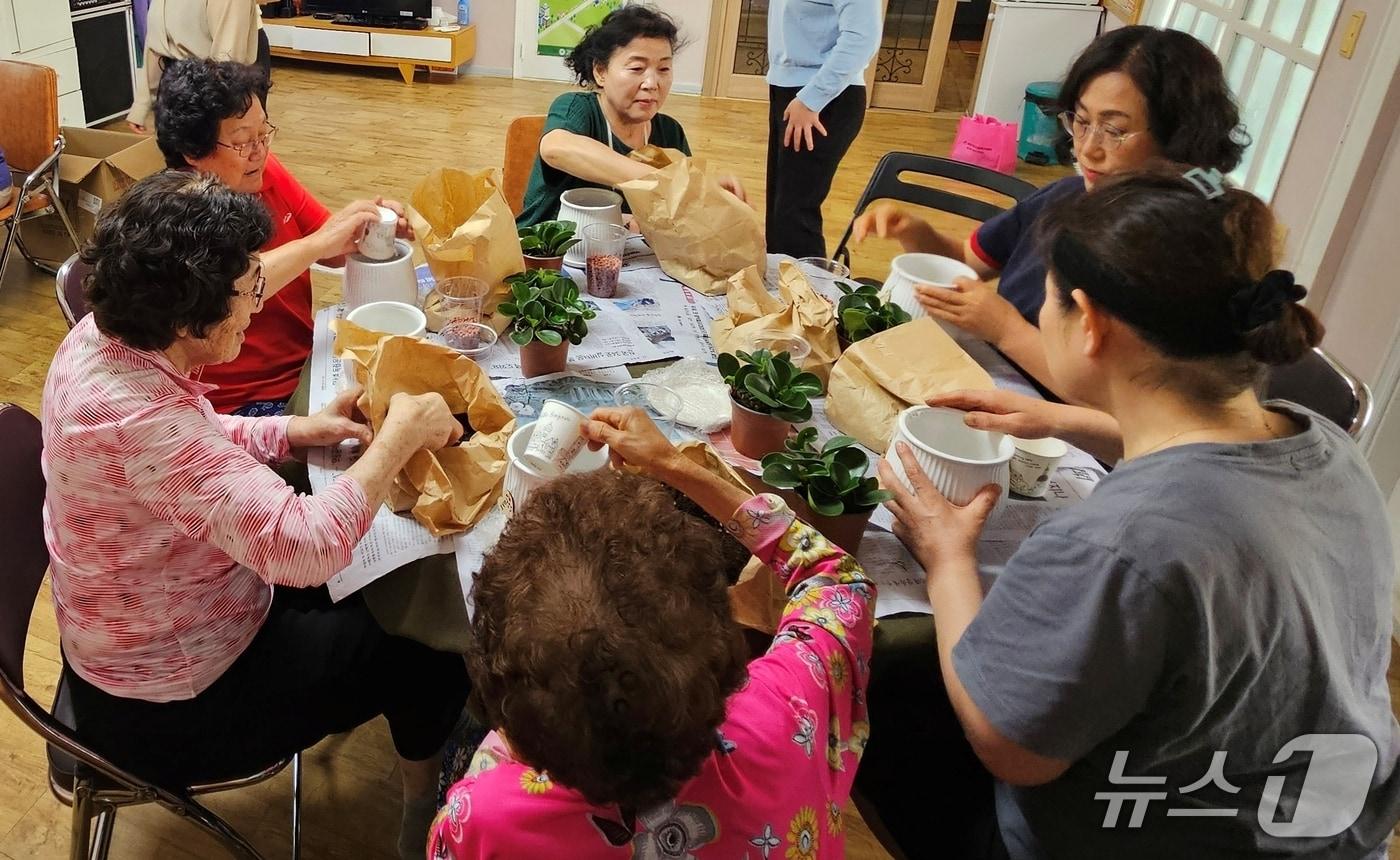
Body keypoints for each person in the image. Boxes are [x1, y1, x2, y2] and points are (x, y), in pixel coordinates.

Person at [878, 167, 1400, 857]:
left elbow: (1010, 747)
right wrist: (1070, 421)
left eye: (1049, 301)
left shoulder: (1119, 543)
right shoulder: (1326, 444)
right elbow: (1210, 470)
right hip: (1326, 834)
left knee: (881, 702)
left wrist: (948, 561)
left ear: (1089, 324)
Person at [42, 171, 470, 860]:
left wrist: (294, 431)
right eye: (246, 298)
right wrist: (399, 437)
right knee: (421, 644)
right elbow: (305, 549)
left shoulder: (106, 337)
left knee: (370, 557)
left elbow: (195, 439)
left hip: (141, 632)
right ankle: (428, 806)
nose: (256, 307)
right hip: (172, 698)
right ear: (187, 320)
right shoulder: (135, 417)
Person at [428, 408, 875, 857]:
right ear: (725, 648)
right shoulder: (786, 717)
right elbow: (835, 577)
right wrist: (674, 466)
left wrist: (511, 740)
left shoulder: (482, 818)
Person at [852, 26, 1248, 391]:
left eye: (1114, 129)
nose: (1088, 148)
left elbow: (1119, 405)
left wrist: (1005, 328)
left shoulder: (1170, 253)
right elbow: (968, 263)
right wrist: (914, 232)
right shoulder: (1064, 196)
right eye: (1081, 120)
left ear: (1178, 134)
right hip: (987, 380)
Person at [156, 59, 410, 416]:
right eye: (243, 141)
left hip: (308, 359)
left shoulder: (262, 172)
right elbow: (242, 286)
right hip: (245, 402)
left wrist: (367, 229)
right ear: (193, 152)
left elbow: (329, 247)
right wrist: (320, 242)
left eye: (264, 133)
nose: (260, 150)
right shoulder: (178, 215)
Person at [517, 5, 745, 228]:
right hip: (547, 256)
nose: (652, 83)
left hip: (626, 258)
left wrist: (714, 198)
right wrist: (670, 182)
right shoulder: (577, 109)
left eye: (664, 69)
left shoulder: (669, 131)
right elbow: (556, 149)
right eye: (637, 68)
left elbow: (681, 211)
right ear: (600, 72)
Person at [765, 0, 881, 258]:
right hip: (790, 91)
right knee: (780, 211)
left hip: (824, 99)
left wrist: (812, 98)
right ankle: (778, 289)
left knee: (795, 214)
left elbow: (863, 37)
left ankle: (807, 295)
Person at [129, 0, 270, 134]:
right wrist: (142, 103)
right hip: (179, 83)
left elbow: (228, 60)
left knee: (228, 148)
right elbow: (157, 43)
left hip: (219, 81)